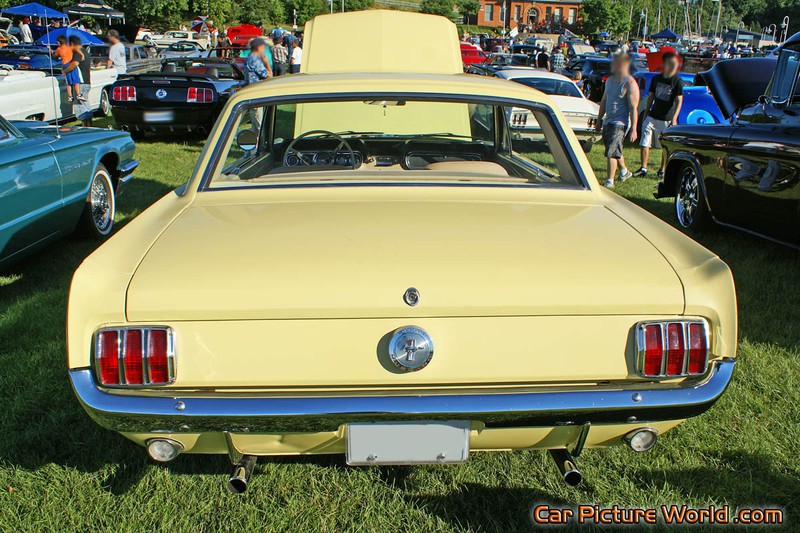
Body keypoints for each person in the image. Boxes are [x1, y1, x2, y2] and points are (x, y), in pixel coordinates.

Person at [633, 51, 684, 179]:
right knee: (645, 142)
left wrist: (674, 118)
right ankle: (643, 168)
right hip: (652, 115)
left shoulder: (677, 81)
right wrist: (646, 113)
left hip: (666, 117)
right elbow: (651, 97)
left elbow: (679, 100)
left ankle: (662, 169)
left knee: (665, 146)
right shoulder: (657, 78)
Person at [595, 54, 639, 188]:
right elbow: (603, 101)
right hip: (608, 121)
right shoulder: (609, 80)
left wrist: (634, 128)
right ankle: (624, 172)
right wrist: (599, 120)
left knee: (611, 153)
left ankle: (610, 181)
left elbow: (633, 108)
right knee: (613, 150)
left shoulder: (630, 83)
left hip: (620, 123)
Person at [65, 36, 93, 126]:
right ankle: (89, 124)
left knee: (80, 105)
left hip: (81, 83)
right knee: (85, 104)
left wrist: (65, 70)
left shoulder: (78, 53)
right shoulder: (84, 51)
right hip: (86, 81)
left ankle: (86, 126)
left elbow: (75, 63)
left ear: (72, 44)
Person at [54, 35, 85, 102]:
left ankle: (70, 96)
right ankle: (78, 94)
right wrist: (82, 55)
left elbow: (55, 55)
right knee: (76, 80)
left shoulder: (59, 49)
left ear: (59, 42)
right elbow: (76, 49)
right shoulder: (69, 47)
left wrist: (50, 51)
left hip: (64, 65)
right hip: (70, 64)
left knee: (68, 82)